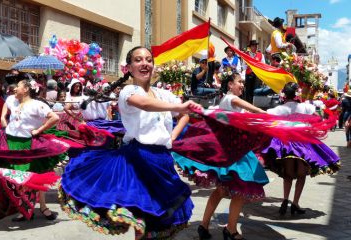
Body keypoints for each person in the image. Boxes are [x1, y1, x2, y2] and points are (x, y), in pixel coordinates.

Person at [59, 46, 202, 239]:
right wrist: (179, 105)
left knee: (159, 221)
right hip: (138, 160)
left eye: (148, 60)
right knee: (143, 219)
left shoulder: (162, 94)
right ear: (129, 68)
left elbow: (185, 114)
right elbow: (144, 104)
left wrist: (173, 136)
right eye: (138, 60)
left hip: (163, 160)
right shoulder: (128, 91)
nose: (145, 63)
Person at [173, 72, 267, 240]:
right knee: (239, 191)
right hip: (233, 153)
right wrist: (262, 112)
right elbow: (248, 108)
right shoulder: (230, 99)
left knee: (221, 190)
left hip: (230, 151)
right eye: (239, 82)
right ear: (230, 85)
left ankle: (204, 225)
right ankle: (230, 230)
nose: (242, 85)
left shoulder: (228, 102)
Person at [261, 82, 340, 215]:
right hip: (303, 144)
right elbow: (318, 118)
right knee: (301, 175)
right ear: (297, 94)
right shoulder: (306, 107)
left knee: (288, 175)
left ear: (284, 95)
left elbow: (267, 119)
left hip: (285, 144)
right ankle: (295, 203)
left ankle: (285, 201)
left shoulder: (279, 109)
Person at [0, 79, 63, 221]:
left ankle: (43, 207)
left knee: (35, 175)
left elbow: (54, 117)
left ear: (26, 89)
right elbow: (6, 104)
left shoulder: (37, 105)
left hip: (28, 145)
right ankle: (24, 207)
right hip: (10, 143)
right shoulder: (12, 99)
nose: (15, 89)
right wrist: (3, 118)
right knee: (17, 176)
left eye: (18, 87)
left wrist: (39, 130)